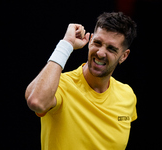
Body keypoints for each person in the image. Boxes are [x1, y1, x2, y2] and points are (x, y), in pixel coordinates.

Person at [25, 12, 137, 150]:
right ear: (90, 41)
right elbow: (36, 101)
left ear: (124, 56)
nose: (101, 53)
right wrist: (66, 45)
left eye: (111, 49)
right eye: (97, 42)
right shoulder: (60, 84)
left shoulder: (127, 95)